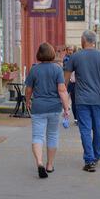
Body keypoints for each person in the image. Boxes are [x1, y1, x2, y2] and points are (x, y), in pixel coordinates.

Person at [64, 30, 100, 173]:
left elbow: (65, 80)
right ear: (93, 41)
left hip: (81, 100)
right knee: (98, 128)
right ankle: (96, 153)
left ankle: (89, 159)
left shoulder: (75, 57)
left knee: (85, 129)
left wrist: (63, 99)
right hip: (98, 99)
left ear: (83, 40)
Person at [25, 43, 70, 179]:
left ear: (39, 54)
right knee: (52, 135)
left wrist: (28, 100)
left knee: (37, 136)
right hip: (54, 107)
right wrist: (66, 108)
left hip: (38, 107)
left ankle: (39, 162)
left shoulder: (34, 70)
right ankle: (49, 165)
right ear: (52, 54)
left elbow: (28, 89)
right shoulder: (57, 69)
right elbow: (62, 90)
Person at [63, 46, 78, 124]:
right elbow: (66, 69)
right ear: (66, 51)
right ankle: (66, 113)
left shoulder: (76, 59)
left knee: (74, 101)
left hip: (74, 82)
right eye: (69, 50)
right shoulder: (66, 59)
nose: (70, 51)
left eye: (71, 50)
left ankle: (76, 118)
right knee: (64, 99)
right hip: (67, 82)